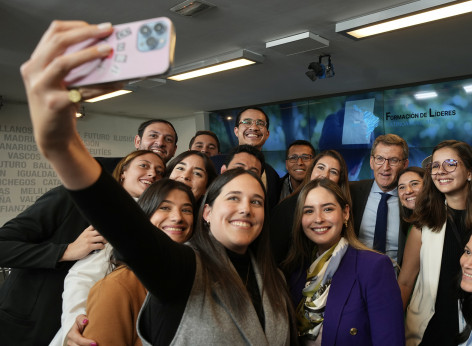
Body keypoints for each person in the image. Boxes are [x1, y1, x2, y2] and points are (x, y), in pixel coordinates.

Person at [21, 20, 295, 343]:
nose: (246, 208)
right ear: (206, 211)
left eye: (257, 201)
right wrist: (61, 145)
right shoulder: (182, 269)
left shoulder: (272, 278)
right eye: (233, 198)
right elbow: (126, 226)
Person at [0, 149, 163, 345]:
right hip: (29, 324)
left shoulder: (148, 222)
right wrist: (66, 251)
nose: (153, 173)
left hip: (87, 325)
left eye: (160, 171)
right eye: (144, 165)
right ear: (123, 173)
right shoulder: (70, 198)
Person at [56, 150, 216, 345]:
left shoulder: (210, 246)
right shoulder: (120, 279)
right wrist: (77, 322)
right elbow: (82, 279)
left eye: (198, 173)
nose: (185, 175)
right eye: (180, 168)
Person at [400, 140, 472, 346]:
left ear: (470, 172)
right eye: (435, 166)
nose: (440, 171)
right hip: (432, 329)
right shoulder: (423, 224)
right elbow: (406, 282)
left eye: (450, 163)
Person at [282, 179, 405, 345]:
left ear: (345, 212)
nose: (318, 219)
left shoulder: (374, 267)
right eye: (309, 211)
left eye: (327, 209)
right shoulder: (295, 271)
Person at [82, 179, 196, 346]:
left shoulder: (197, 275)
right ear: (144, 215)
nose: (177, 217)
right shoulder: (116, 286)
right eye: (164, 207)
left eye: (186, 210)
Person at [271, 150, 351, 266]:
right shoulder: (286, 208)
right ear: (311, 171)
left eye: (333, 172)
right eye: (320, 168)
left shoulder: (343, 208)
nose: (325, 175)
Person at [350, 134, 409, 265]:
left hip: (396, 280)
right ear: (372, 162)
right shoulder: (351, 192)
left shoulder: (411, 199)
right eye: (380, 159)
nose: (385, 167)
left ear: (405, 164)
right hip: (355, 277)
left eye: (393, 160)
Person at [211, 107, 282, 209]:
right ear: (236, 131)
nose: (254, 127)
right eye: (247, 122)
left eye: (260, 123)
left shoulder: (272, 174)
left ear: (267, 134)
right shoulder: (214, 164)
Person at [97, 118, 178, 172]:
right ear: (138, 141)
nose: (160, 143)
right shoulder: (101, 167)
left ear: (174, 150)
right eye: (153, 136)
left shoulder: (173, 180)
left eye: (168, 139)